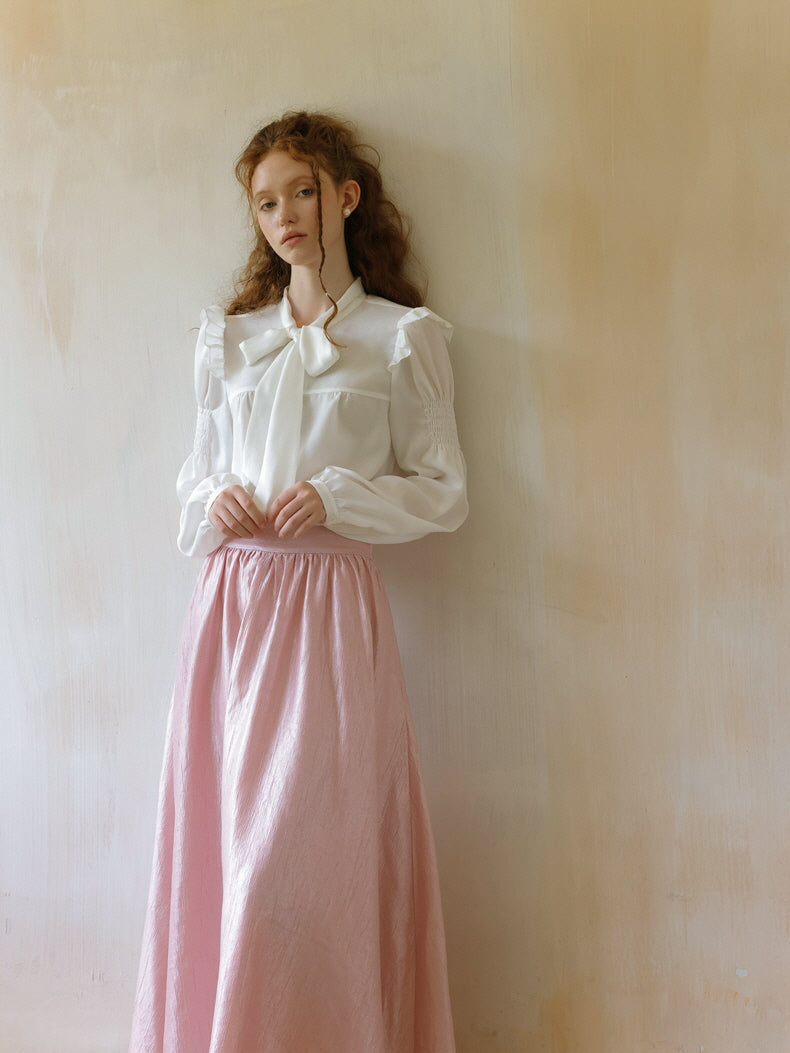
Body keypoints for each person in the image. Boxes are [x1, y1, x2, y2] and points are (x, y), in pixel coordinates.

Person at [129, 111, 468, 1053]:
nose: (283, 215)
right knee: (231, 850)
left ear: (345, 196)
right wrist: (219, 504)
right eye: (265, 201)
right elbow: (189, 496)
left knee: (316, 854)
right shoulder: (228, 342)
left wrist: (338, 496)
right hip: (231, 614)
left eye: (302, 192)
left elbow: (445, 494)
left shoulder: (403, 340)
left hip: (329, 618)